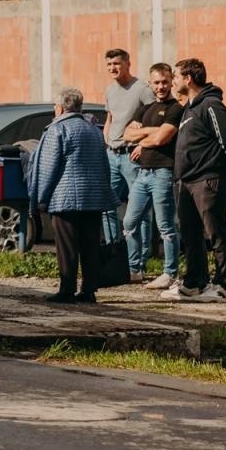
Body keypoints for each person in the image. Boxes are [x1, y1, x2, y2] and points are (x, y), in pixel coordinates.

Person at [163, 58, 226, 312]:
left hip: (207, 179)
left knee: (215, 232)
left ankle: (223, 282)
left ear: (188, 79)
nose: (173, 81)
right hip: (186, 182)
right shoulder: (189, 108)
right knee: (190, 234)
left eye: (176, 76)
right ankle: (194, 282)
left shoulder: (211, 104)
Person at [26, 86, 115, 303]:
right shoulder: (94, 130)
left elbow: (48, 168)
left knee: (67, 246)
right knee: (90, 245)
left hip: (64, 198)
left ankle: (67, 289)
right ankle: (89, 290)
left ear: (60, 108)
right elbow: (104, 164)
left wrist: (41, 199)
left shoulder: (57, 129)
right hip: (93, 198)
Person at [122, 62, 182, 288]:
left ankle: (170, 273)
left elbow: (163, 138)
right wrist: (152, 132)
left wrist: (144, 138)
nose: (161, 87)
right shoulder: (145, 108)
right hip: (143, 173)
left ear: (172, 82)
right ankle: (135, 270)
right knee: (129, 223)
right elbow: (126, 135)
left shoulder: (175, 109)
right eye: (156, 83)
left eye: (165, 82)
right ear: (150, 84)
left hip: (163, 172)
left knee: (165, 226)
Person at [102, 49, 155, 242]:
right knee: (106, 206)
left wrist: (143, 145)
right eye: (109, 64)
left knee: (140, 208)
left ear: (128, 64)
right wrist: (106, 141)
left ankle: (142, 255)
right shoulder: (110, 90)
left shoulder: (142, 89)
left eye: (116, 63)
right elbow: (110, 119)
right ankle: (114, 250)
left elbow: (155, 120)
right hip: (111, 155)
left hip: (132, 155)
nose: (112, 68)